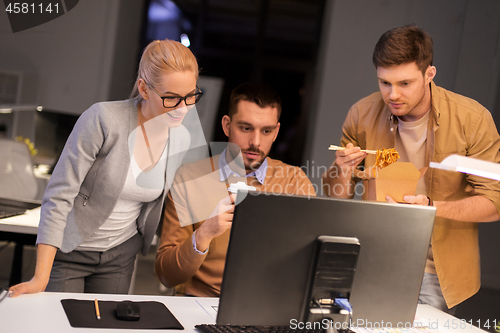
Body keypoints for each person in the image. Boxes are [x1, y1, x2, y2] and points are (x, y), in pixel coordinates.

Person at [322, 25, 500, 313]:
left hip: (435, 272)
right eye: (384, 83)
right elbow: (336, 198)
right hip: (370, 259)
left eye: (405, 83)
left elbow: (494, 202)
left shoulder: (473, 120)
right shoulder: (361, 113)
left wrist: (431, 207)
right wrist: (342, 171)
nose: (392, 95)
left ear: (429, 74)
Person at [9, 39, 202, 296]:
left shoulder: (180, 138)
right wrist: (40, 277)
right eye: (171, 98)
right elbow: (59, 194)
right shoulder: (104, 119)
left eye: (190, 96)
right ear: (144, 89)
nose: (183, 108)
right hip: (72, 250)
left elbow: (160, 205)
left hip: (120, 255)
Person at [155, 82, 316, 297]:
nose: (255, 142)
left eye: (266, 131)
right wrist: (205, 233)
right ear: (227, 125)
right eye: (246, 128)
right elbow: (167, 275)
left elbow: (312, 262)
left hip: (266, 307)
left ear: (276, 132)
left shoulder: (295, 182)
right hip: (200, 303)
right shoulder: (189, 178)